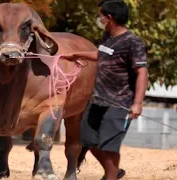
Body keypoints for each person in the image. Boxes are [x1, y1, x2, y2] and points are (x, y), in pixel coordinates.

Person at [62, 0, 149, 180]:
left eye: (100, 15)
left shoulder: (132, 42)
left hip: (120, 103)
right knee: (87, 141)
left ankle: (110, 176)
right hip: (97, 101)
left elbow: (142, 72)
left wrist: (138, 104)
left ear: (109, 18)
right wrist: (77, 55)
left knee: (109, 147)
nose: (98, 18)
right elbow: (102, 54)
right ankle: (114, 173)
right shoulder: (108, 37)